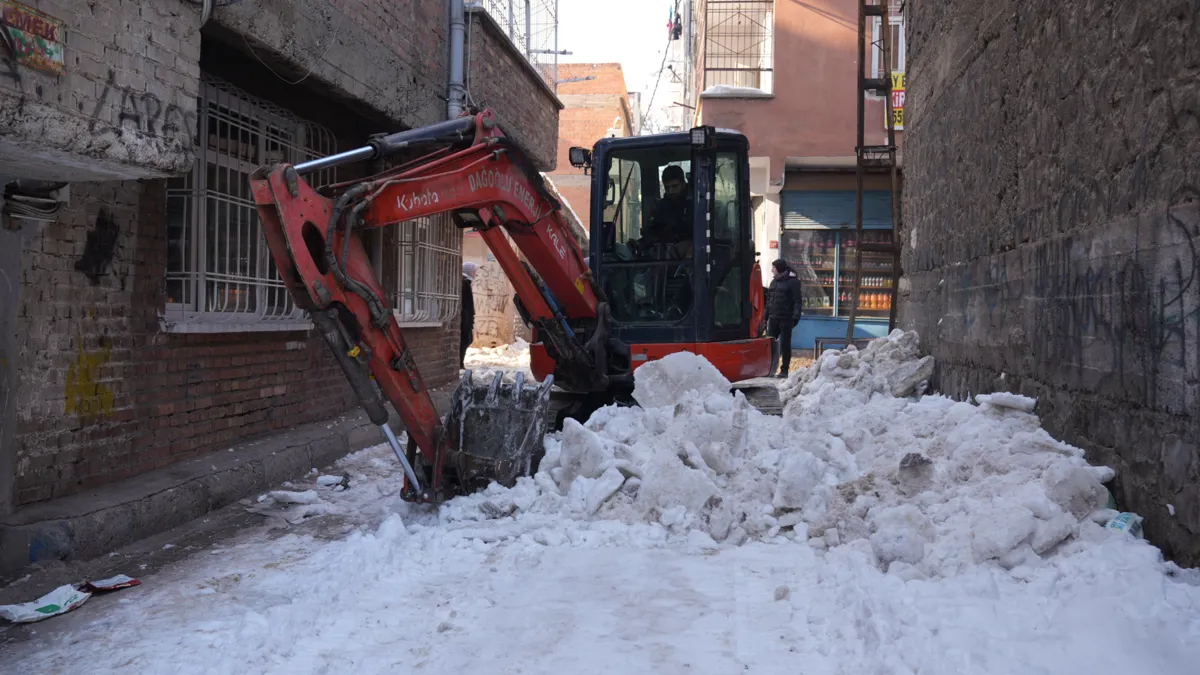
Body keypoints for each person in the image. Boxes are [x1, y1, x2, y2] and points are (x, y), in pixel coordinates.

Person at [764, 258, 802, 378]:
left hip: (786, 318)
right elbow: (769, 302)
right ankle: (769, 370)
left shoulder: (793, 282)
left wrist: (796, 316)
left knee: (785, 345)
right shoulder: (773, 282)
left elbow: (797, 301)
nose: (772, 270)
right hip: (773, 318)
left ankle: (784, 370)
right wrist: (765, 317)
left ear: (779, 269)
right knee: (770, 345)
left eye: (774, 268)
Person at [459, 261, 478, 369]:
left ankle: (461, 362)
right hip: (465, 318)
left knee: (467, 340)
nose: (475, 274)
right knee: (465, 340)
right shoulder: (464, 283)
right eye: (474, 271)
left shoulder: (467, 282)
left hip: (467, 318)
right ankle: (460, 362)